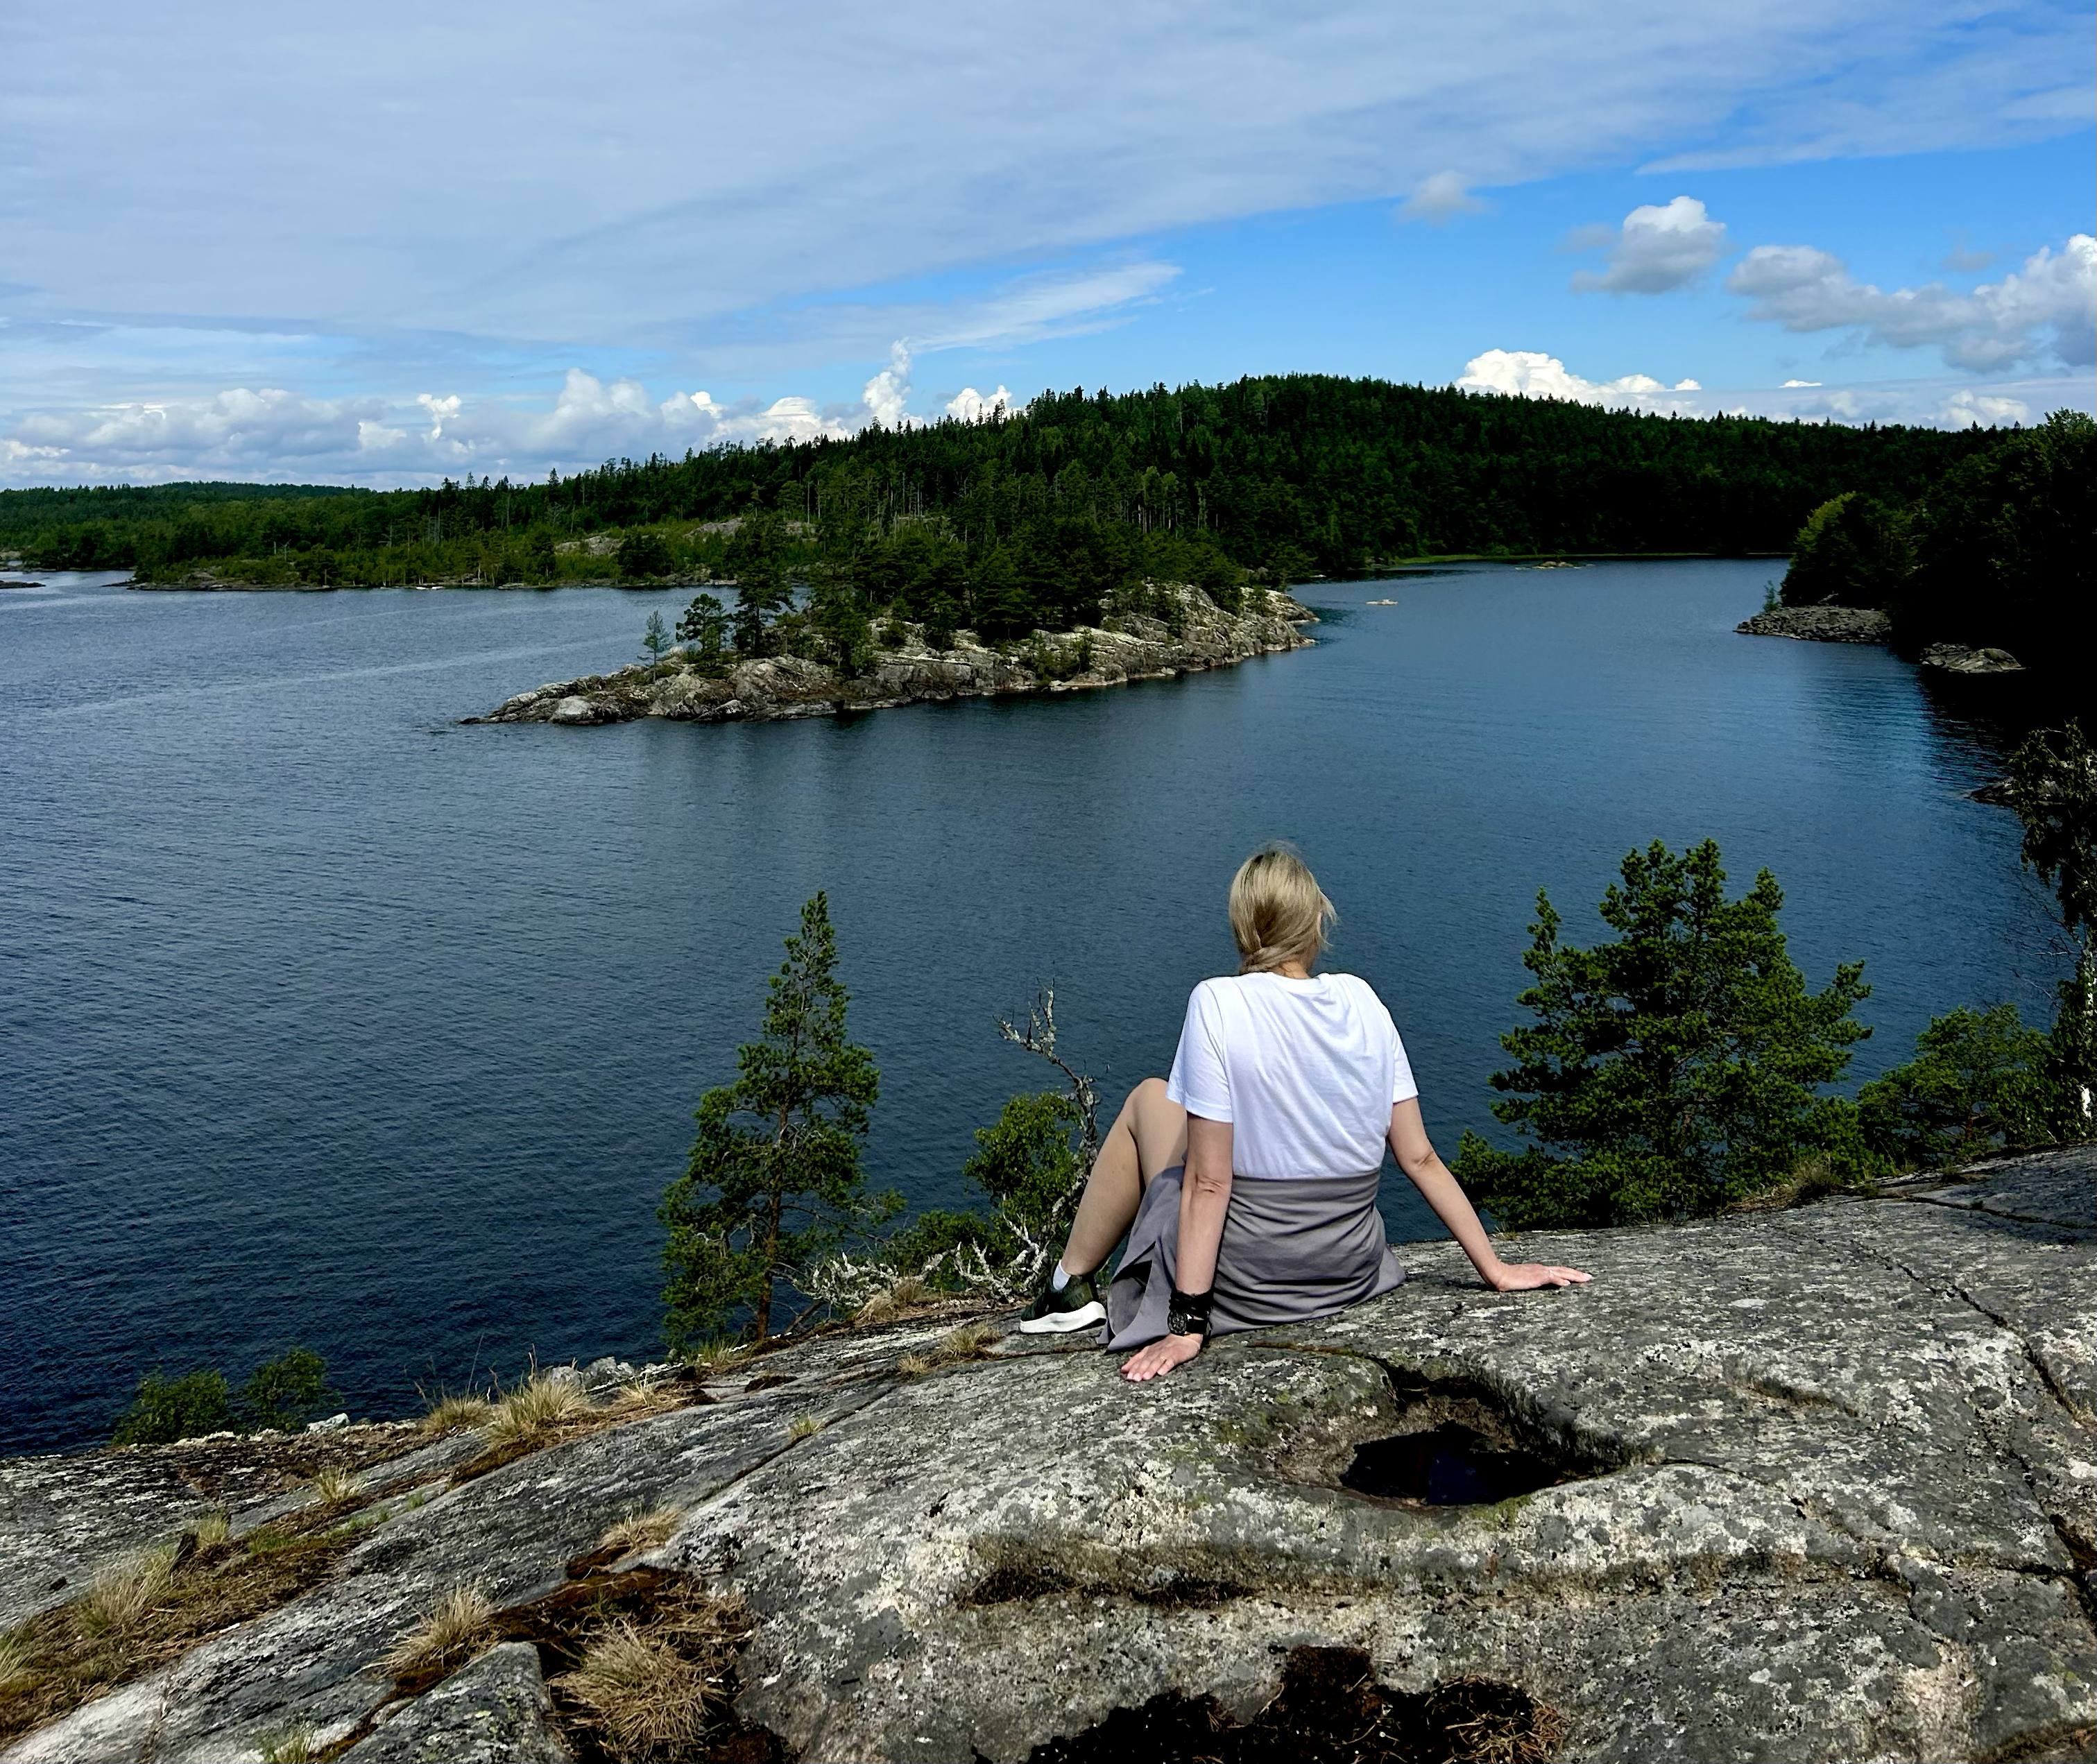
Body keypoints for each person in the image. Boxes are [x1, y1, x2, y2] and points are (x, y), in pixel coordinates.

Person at [1018, 844, 1590, 1381]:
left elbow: (1210, 1181)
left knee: (1150, 1097)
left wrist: (1187, 1325)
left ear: (1244, 929)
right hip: (1347, 1270)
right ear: (1316, 922)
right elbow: (1418, 1156)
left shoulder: (1217, 1001)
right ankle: (1069, 1285)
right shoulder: (1364, 1000)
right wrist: (1495, 1268)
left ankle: (1067, 1286)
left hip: (1250, 1282)